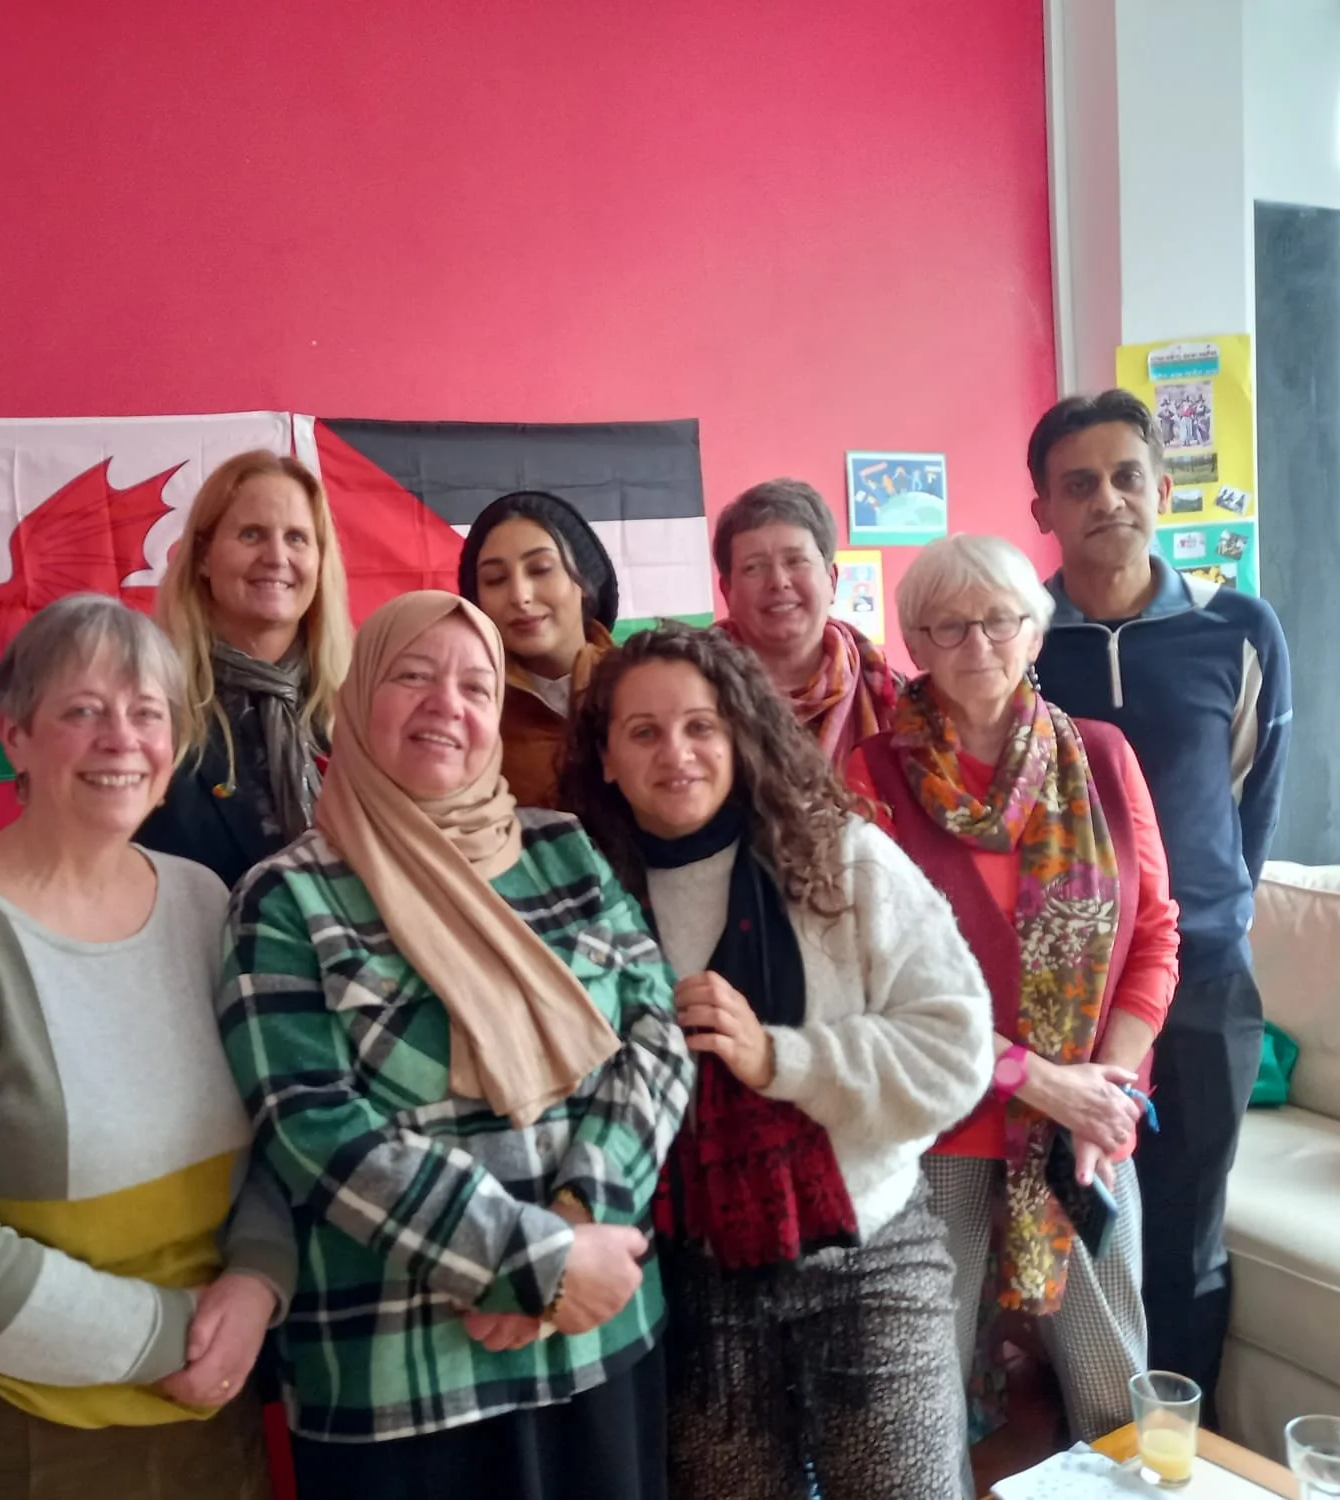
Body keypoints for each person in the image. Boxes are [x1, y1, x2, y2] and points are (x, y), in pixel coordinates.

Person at [216, 592, 694, 1500]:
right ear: (357, 701)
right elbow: (314, 1129)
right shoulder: (285, 899)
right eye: (412, 676)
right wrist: (528, 1264)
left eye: (477, 685)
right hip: (403, 1377)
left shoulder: (565, 853)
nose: (449, 704)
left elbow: (655, 1040)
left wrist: (579, 1226)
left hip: (596, 1335)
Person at [0, 594, 294, 1500]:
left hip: (201, 1407)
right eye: (82, 710)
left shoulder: (209, 904)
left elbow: (276, 1128)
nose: (119, 738)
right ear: (14, 737)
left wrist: (257, 1282)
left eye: (147, 712)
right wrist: (180, 1336)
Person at [563, 623, 991, 1500]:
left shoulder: (841, 858)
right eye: (643, 732)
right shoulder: (583, 898)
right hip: (689, 1281)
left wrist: (780, 1057)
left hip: (866, 1254)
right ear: (605, 758)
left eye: (701, 726)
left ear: (739, 734)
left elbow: (957, 1052)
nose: (675, 752)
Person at [859, 535, 1181, 1444]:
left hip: (1084, 1126)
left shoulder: (1106, 761)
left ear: (1035, 634)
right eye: (949, 627)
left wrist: (1102, 1094)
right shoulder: (870, 780)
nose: (978, 645)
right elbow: (876, 984)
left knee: (1110, 1371)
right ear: (915, 645)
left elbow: (1156, 935)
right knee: (926, 1384)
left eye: (1000, 621)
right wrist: (1031, 1079)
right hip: (941, 1128)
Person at [1027, 390, 1291, 1407]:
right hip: (1064, 997)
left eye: (1126, 475)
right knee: (1070, 1212)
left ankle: (1184, 1439)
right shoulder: (1016, 638)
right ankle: (1082, 1427)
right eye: (1077, 483)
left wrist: (1213, 912)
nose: (1107, 499)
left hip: (1204, 984)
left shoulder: (1237, 628)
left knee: (1185, 1226)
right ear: (1043, 507)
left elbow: (1251, 798)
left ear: (1162, 487)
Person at [139, 449, 352, 887]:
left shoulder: (358, 710)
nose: (277, 557)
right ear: (202, 557)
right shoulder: (148, 712)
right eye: (252, 534)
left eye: (297, 537)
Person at [711, 478, 902, 793]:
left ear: (832, 580)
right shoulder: (688, 691)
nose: (778, 581)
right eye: (754, 568)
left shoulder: (893, 699)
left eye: (795, 561)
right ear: (727, 591)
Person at [458, 489, 619, 808]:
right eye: (495, 579)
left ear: (585, 583)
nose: (520, 596)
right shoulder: (466, 711)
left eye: (541, 569)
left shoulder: (641, 685)